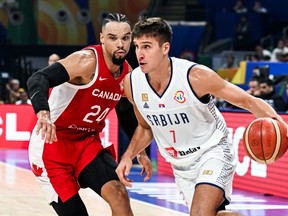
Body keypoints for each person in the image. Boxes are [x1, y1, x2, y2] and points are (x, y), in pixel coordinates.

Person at [116, 17, 288, 216]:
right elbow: (145, 127)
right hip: (181, 166)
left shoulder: (195, 76)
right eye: (137, 46)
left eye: (147, 46)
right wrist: (131, 155)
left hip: (213, 151)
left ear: (165, 48)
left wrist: (280, 125)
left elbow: (246, 101)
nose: (140, 54)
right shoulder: (132, 84)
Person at [27, 13, 151, 216]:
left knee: (119, 194)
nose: (120, 44)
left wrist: (141, 151)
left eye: (125, 38)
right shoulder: (86, 62)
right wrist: (43, 112)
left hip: (87, 144)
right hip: (52, 148)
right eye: (112, 38)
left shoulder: (128, 74)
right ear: (102, 38)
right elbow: (38, 79)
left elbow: (125, 111)